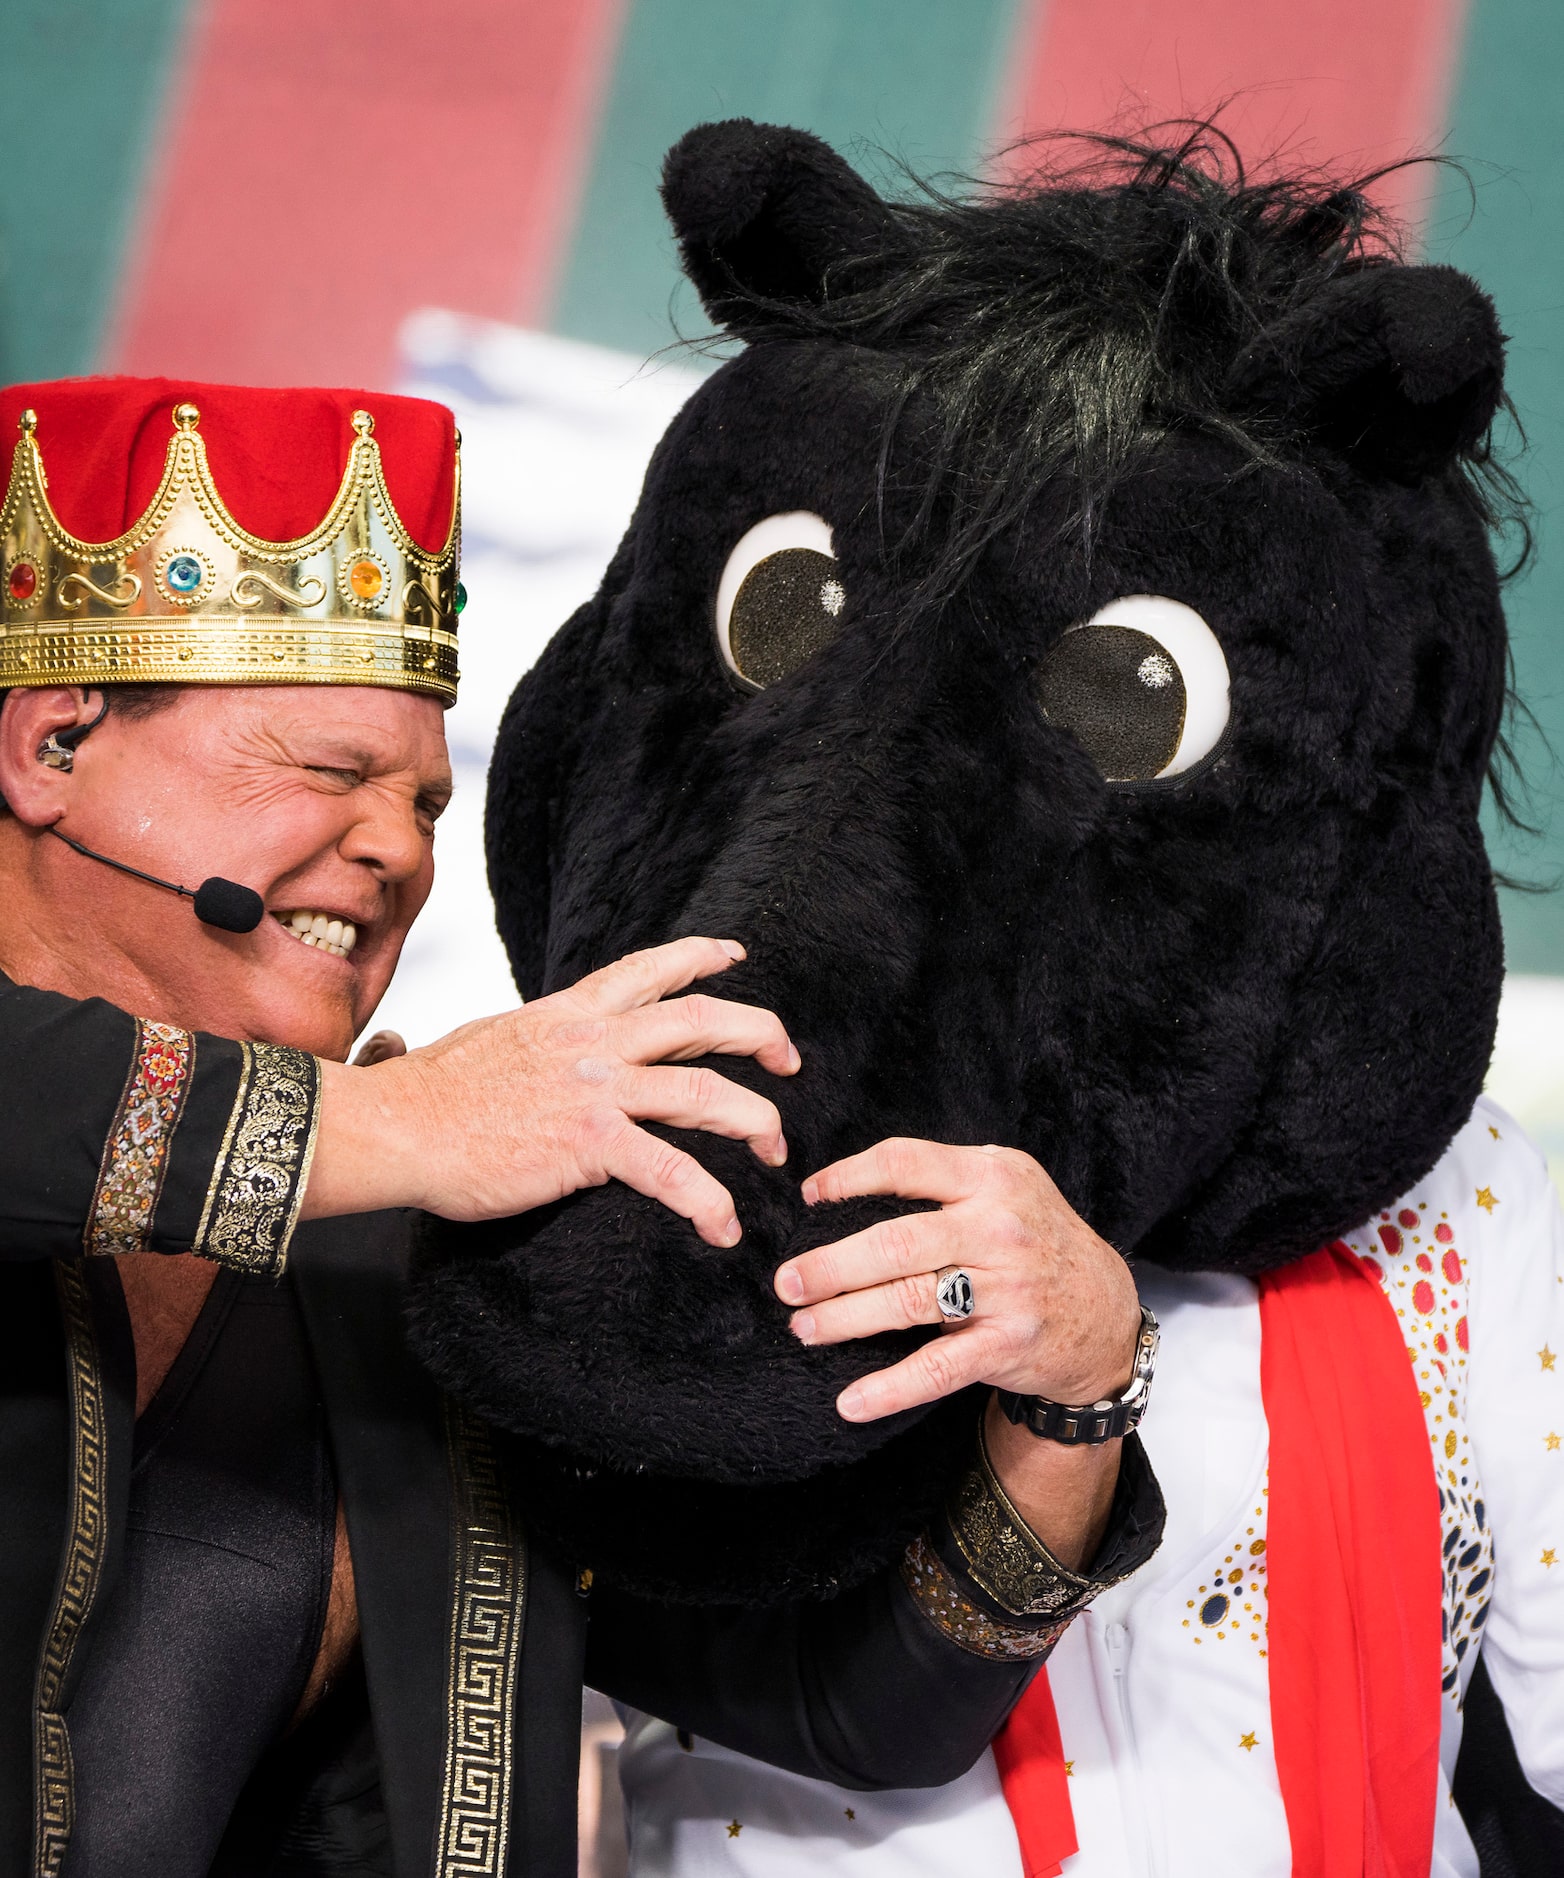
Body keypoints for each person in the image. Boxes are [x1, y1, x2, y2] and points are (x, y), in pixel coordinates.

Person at [0, 376, 1164, 1877]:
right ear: (51, 748)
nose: (394, 849)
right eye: (329, 769)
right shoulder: (418, 1150)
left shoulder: (421, 1280)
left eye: (424, 800)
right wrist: (416, 1121)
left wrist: (1072, 1386)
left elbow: (848, 1702)